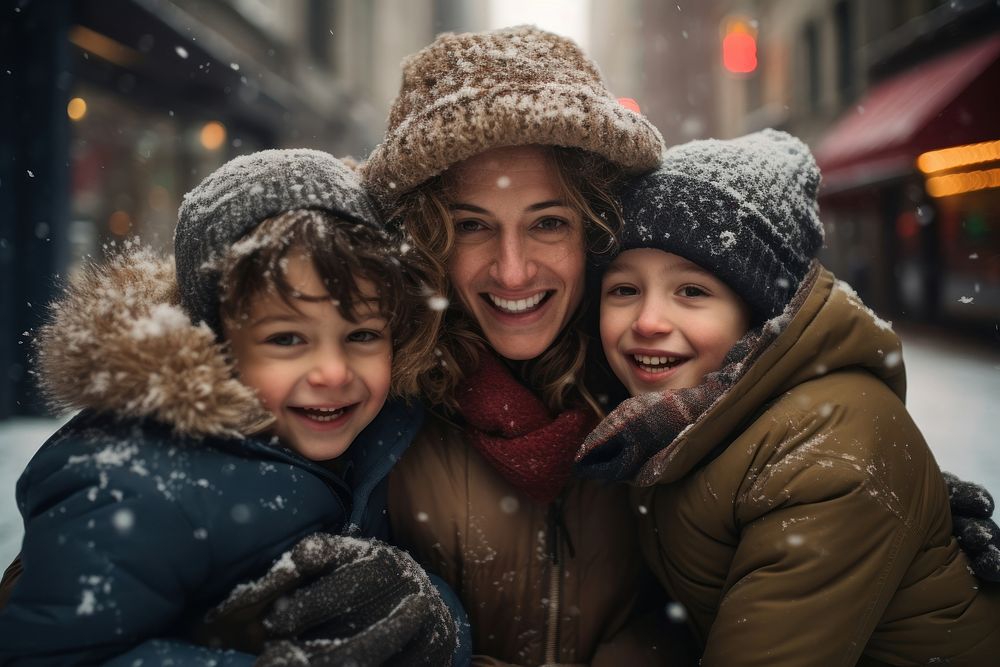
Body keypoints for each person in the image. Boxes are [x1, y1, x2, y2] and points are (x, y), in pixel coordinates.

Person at [0, 149, 466, 665]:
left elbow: (396, 603)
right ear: (215, 343)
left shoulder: (371, 446)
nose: (334, 372)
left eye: (361, 335)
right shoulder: (137, 482)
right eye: (288, 339)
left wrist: (435, 620)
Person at [575, 129, 1000, 665]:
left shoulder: (824, 452)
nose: (649, 321)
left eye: (693, 291)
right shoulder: (669, 424)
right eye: (624, 289)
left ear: (757, 314)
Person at [360, 25, 696, 665]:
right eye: (471, 226)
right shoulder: (369, 406)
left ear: (594, 231)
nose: (512, 272)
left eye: (548, 222)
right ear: (427, 239)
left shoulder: (660, 389)